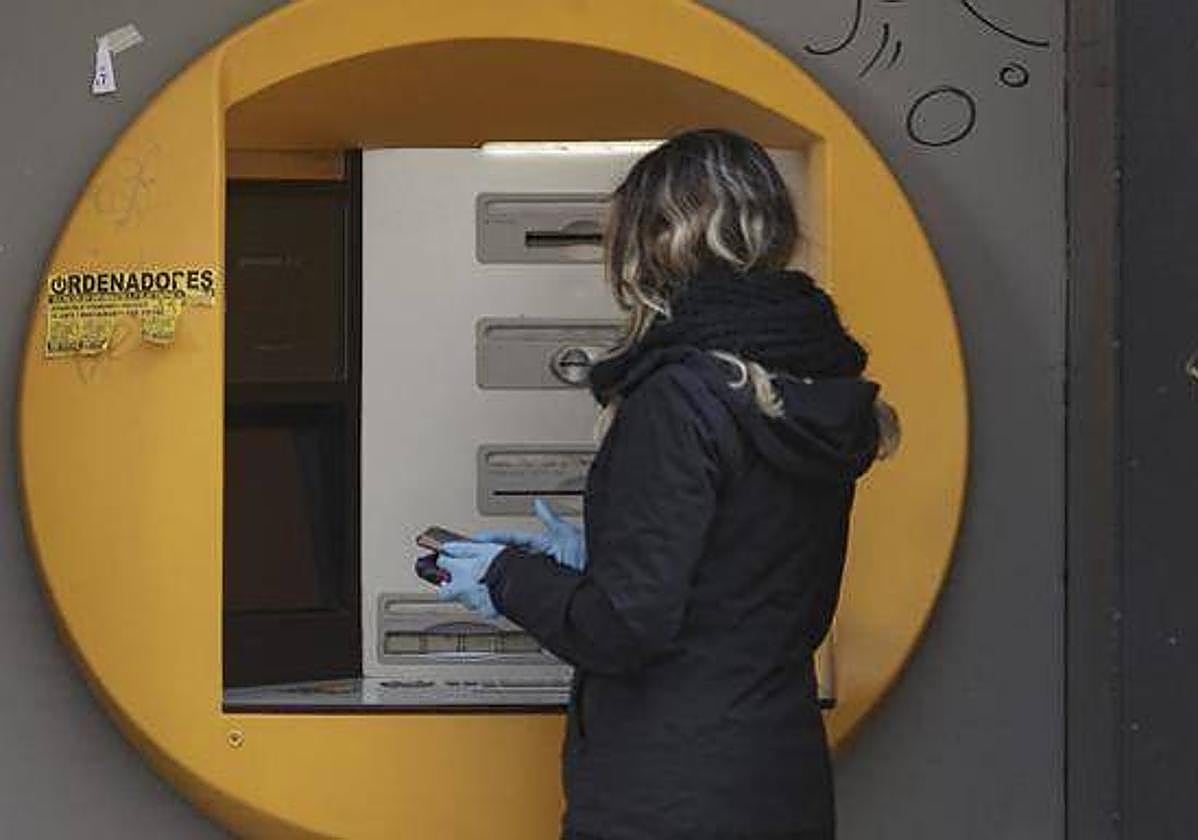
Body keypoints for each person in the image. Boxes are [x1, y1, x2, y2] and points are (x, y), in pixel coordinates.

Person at [436, 128, 895, 840]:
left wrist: (506, 577)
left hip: (669, 792)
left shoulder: (678, 396)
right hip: (779, 776)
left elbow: (624, 629)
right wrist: (600, 556)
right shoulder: (812, 388)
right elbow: (745, 570)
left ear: (653, 244)